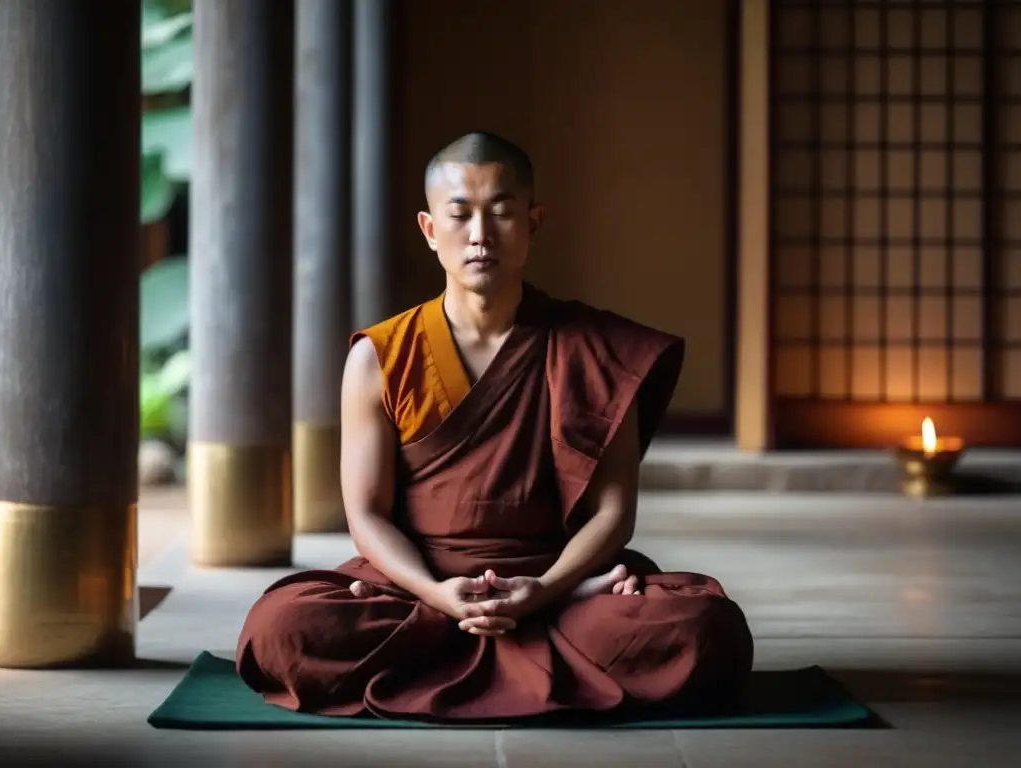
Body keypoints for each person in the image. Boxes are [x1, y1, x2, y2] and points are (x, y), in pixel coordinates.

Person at [235, 131, 754, 722]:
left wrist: (548, 588)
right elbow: (368, 515)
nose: (480, 234)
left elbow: (614, 513)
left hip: (556, 582)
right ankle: (474, 629)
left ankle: (502, 630)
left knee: (706, 629)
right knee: (284, 629)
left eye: (502, 213)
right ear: (431, 231)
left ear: (533, 224)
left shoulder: (595, 350)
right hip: (418, 588)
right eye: (460, 215)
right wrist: (436, 594)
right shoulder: (381, 356)